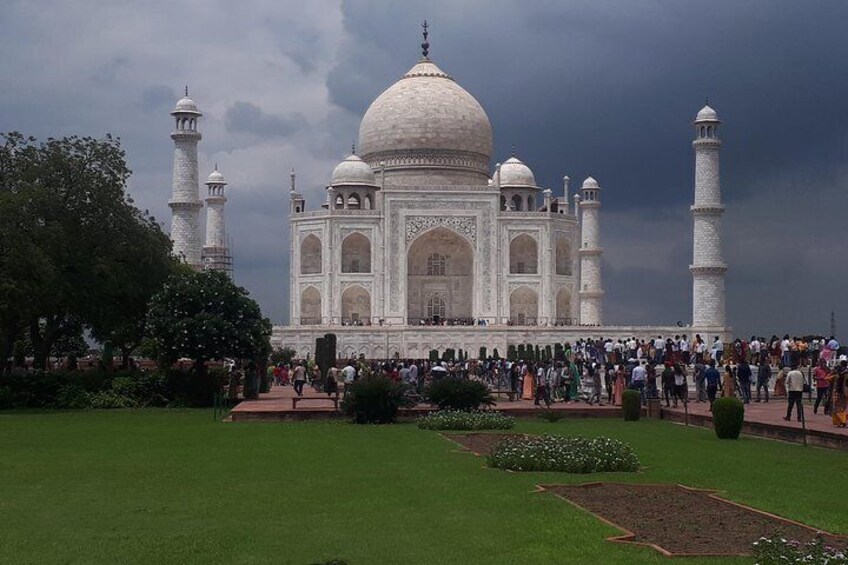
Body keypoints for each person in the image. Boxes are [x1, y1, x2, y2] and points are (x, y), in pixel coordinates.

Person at [830, 362, 847, 427]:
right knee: (843, 407)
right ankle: (842, 421)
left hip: (839, 392)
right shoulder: (844, 374)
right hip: (843, 392)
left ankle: (841, 421)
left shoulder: (837, 375)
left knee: (837, 408)